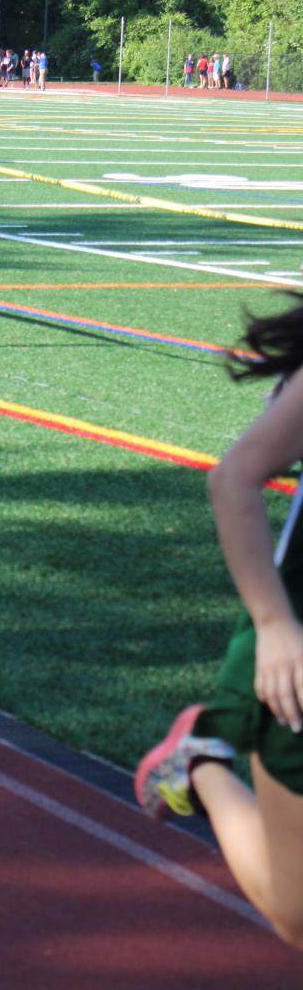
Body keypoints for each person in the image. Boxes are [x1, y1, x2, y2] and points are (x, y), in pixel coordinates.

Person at [136, 295, 303, 950]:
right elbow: (234, 479)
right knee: (297, 915)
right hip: (295, 644)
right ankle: (198, 760)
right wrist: (275, 625)